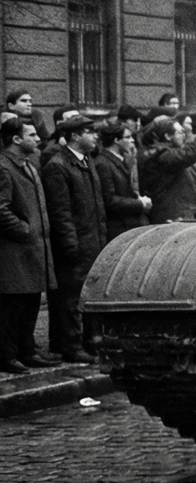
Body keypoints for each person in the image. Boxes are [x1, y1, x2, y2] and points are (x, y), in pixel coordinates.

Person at [40, 116, 106, 364]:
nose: (95, 136)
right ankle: (71, 345)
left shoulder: (85, 161)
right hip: (75, 243)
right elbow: (61, 212)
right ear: (75, 136)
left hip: (91, 241)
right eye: (89, 131)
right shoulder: (58, 166)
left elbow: (96, 207)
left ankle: (82, 342)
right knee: (70, 298)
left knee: (84, 296)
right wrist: (70, 245)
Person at [0, 119, 55, 373]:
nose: (38, 139)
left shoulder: (30, 165)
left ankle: (27, 350)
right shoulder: (4, 167)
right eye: (31, 135)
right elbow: (1, 210)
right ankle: (7, 355)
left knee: (31, 301)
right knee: (13, 305)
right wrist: (25, 229)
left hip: (32, 248)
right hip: (14, 251)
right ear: (16, 139)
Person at [139, 108, 196, 224]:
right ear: (168, 136)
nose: (184, 135)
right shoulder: (163, 155)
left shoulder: (164, 152)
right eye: (180, 132)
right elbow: (191, 153)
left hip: (173, 215)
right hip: (169, 217)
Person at [93, 121, 150, 240]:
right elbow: (110, 200)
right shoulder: (103, 163)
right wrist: (140, 204)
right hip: (117, 227)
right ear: (116, 140)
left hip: (126, 225)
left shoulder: (121, 160)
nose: (132, 140)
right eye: (128, 137)